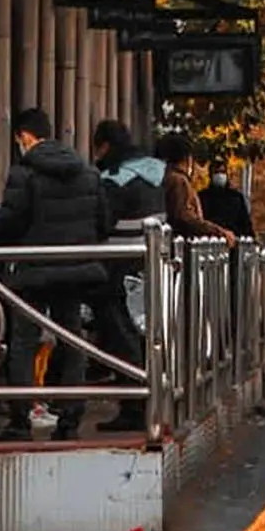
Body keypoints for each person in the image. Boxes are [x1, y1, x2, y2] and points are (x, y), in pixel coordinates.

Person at [0, 108, 112, 442]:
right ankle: (70, 420)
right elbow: (104, 221)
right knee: (71, 339)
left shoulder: (23, 174)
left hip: (35, 270)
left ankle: (19, 421)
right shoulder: (87, 172)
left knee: (24, 343)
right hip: (74, 270)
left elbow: (7, 223)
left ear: (24, 137)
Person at [90, 120, 167, 432]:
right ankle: (150, 402)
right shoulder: (156, 175)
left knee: (120, 334)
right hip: (149, 265)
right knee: (147, 334)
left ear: (105, 145)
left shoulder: (114, 179)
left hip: (117, 265)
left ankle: (133, 407)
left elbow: (102, 220)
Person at [157, 133, 237, 246]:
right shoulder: (179, 182)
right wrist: (219, 232)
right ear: (187, 158)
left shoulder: (165, 177)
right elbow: (185, 218)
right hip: (181, 247)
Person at [198, 159, 254, 238]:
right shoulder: (203, 197)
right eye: (216, 172)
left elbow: (245, 223)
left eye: (222, 172)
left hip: (234, 241)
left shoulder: (236, 197)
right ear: (210, 175)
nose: (220, 175)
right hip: (209, 242)